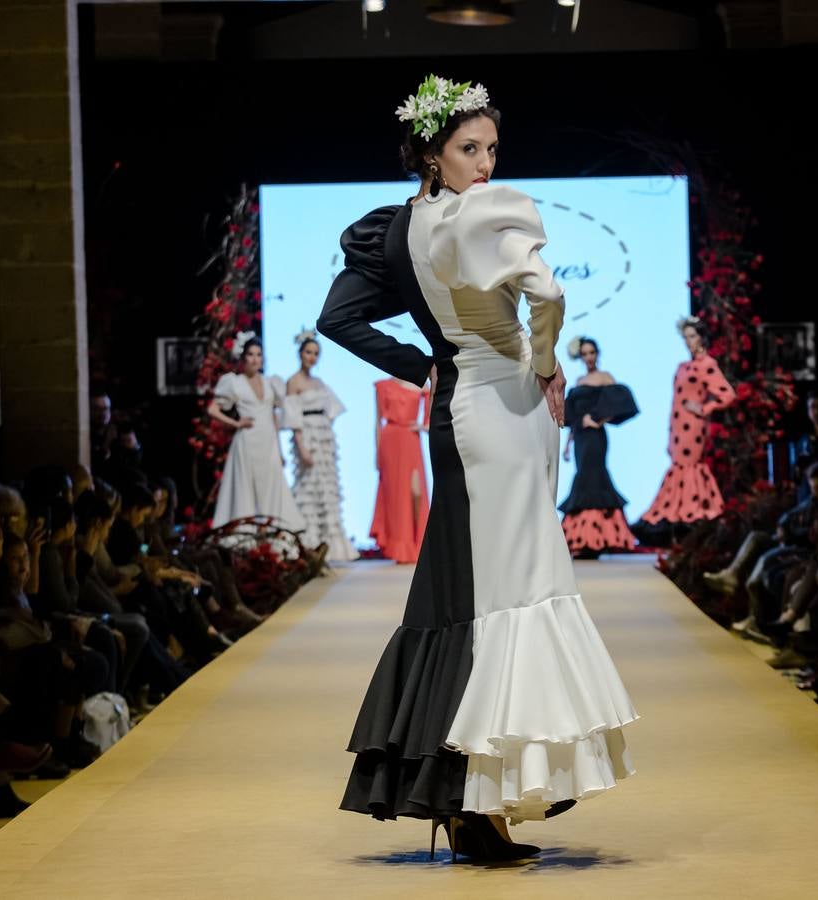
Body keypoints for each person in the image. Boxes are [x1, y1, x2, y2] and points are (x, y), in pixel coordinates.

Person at [317, 74, 636, 862]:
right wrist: (546, 353)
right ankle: (478, 796)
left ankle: (474, 800)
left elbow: (336, 317)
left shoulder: (395, 229)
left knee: (481, 597)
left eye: (492, 148)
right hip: (505, 413)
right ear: (432, 150)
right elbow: (548, 292)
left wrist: (421, 363)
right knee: (511, 595)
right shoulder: (486, 215)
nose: (486, 163)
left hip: (461, 412)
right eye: (469, 148)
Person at [634, 315, 736, 537]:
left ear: (701, 338)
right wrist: (670, 435)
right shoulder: (684, 366)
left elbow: (727, 394)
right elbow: (676, 402)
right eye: (685, 337)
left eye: (692, 336)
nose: (688, 341)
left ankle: (695, 513)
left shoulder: (707, 365)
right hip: (678, 428)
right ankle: (680, 518)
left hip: (694, 426)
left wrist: (704, 408)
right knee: (679, 466)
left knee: (690, 467)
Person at [207, 337, 307, 536]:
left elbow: (273, 417)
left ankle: (272, 532)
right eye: (251, 355)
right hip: (247, 442)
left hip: (268, 443)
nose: (255, 359)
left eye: (259, 355)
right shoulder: (235, 382)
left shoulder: (270, 383)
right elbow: (213, 409)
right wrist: (236, 423)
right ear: (244, 358)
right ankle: (246, 535)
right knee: (246, 490)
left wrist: (279, 450)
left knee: (271, 488)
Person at [558, 336, 639, 557]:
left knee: (594, 477)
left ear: (597, 353)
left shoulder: (605, 378)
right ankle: (583, 538)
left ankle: (599, 537)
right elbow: (573, 418)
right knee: (582, 477)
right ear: (580, 356)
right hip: (580, 440)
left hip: (595, 438)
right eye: (585, 353)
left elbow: (621, 402)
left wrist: (599, 420)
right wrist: (567, 446)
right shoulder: (579, 381)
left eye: (592, 352)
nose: (589, 357)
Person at [285, 330, 357, 562]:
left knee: (327, 490)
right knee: (308, 489)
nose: (312, 357)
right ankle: (309, 544)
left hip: (324, 441)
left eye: (316, 353)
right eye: (308, 352)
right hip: (307, 439)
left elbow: (334, 408)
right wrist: (301, 447)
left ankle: (332, 547)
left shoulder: (319, 382)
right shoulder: (293, 382)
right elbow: (292, 419)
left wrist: (324, 426)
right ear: (300, 353)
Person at [370, 376, 430, 563]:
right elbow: (377, 422)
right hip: (390, 440)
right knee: (395, 496)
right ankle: (401, 548)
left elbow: (431, 415)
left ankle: (418, 544)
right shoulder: (383, 385)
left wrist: (423, 426)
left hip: (410, 439)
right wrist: (377, 453)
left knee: (416, 492)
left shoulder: (421, 385)